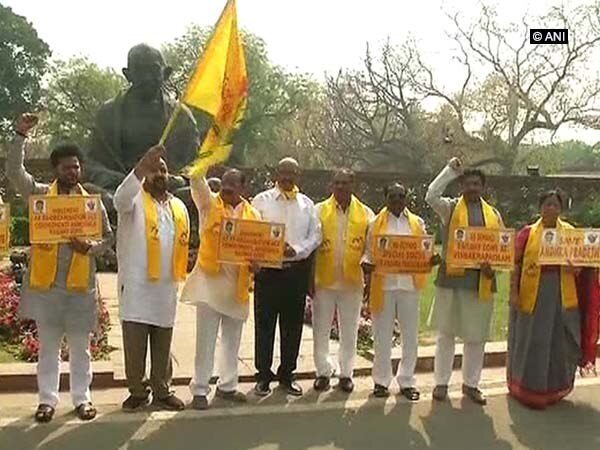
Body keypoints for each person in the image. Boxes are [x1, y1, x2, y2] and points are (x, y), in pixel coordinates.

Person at [7, 113, 113, 423]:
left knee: (81, 349)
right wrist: (19, 136)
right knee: (48, 349)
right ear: (56, 170)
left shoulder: (91, 203)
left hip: (80, 289)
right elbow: (14, 172)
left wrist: (91, 248)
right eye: (67, 167)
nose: (73, 171)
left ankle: (82, 399)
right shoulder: (40, 195)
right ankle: (47, 402)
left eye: (77, 167)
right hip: (47, 287)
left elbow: (108, 237)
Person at [113, 145, 190, 411]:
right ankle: (137, 390)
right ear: (144, 174)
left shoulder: (178, 206)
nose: (159, 174)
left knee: (162, 342)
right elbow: (118, 199)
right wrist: (140, 167)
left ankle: (162, 389)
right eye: (153, 170)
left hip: (166, 287)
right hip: (136, 286)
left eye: (163, 170)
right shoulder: (133, 200)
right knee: (135, 343)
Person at [425, 157, 504, 405]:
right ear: (462, 187)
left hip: (480, 284)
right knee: (446, 335)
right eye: (468, 184)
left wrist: (495, 270)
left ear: (483, 188)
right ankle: (441, 383)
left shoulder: (494, 215)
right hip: (451, 281)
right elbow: (430, 195)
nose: (472, 188)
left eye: (476, 184)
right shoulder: (449, 208)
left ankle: (471, 384)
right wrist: (449, 170)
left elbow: (503, 250)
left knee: (476, 337)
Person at [181, 169, 259, 410]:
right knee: (205, 342)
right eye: (224, 183)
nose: (227, 188)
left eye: (233, 184)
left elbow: (260, 249)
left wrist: (258, 264)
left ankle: (227, 386)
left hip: (237, 288)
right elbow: (196, 180)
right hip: (209, 285)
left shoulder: (254, 215)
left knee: (232, 342)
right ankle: (200, 389)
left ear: (243, 189)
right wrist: (207, 156)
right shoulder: (208, 204)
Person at [251, 157, 322, 396]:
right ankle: (263, 375)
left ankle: (287, 374)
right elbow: (249, 232)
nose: (287, 177)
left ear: (298, 174)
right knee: (265, 325)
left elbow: (316, 237)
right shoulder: (261, 201)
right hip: (269, 273)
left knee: (292, 327)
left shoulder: (307, 205)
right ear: (276, 173)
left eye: (292, 172)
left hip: (295, 273)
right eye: (283, 172)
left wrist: (298, 250)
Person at [509, 190, 585, 409]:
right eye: (547, 205)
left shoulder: (570, 233)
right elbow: (515, 266)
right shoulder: (527, 233)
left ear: (561, 209)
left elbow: (582, 266)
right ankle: (526, 390)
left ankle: (554, 389)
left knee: (558, 342)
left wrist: (575, 267)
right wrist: (513, 292)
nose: (551, 209)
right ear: (540, 207)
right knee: (533, 340)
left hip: (562, 295)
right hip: (533, 294)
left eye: (555, 205)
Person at [86, 44, 199, 192]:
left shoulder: (181, 116)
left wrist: (177, 179)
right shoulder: (108, 113)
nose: (147, 77)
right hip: (121, 189)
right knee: (91, 193)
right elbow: (93, 164)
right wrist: (131, 180)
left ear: (165, 74)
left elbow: (196, 164)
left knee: (195, 193)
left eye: (153, 70)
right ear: (128, 75)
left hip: (167, 190)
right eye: (139, 70)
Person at [362, 182, 429, 400]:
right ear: (386, 198)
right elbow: (367, 254)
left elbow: (423, 253)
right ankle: (381, 381)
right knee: (382, 336)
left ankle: (407, 381)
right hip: (384, 285)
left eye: (401, 196)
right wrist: (366, 264)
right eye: (393, 196)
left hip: (409, 286)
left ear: (406, 198)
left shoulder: (417, 223)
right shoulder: (375, 223)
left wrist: (430, 260)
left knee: (410, 337)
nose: (398, 200)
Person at [312, 169, 374, 393]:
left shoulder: (366, 213)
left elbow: (371, 248)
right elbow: (311, 246)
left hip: (352, 282)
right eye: (337, 183)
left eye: (345, 183)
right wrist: (310, 279)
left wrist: (367, 264)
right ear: (332, 185)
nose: (340, 187)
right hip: (324, 281)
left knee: (349, 330)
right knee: (321, 329)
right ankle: (322, 372)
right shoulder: (318, 210)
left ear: (352, 185)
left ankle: (346, 373)